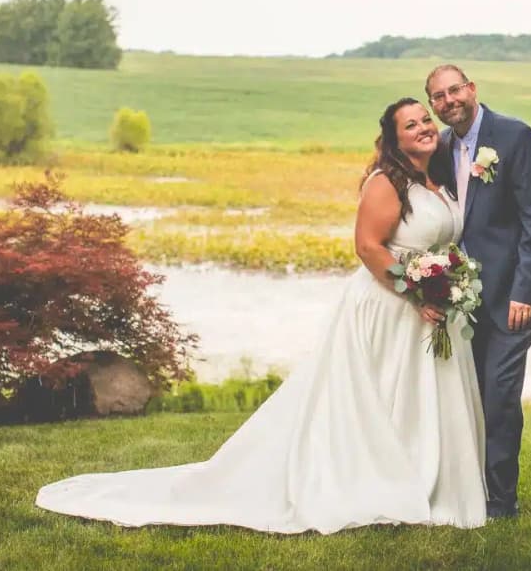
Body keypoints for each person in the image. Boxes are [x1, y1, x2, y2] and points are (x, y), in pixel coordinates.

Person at [36, 98, 487, 533]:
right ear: (393, 138)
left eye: (425, 119)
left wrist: (447, 283)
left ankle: (430, 482)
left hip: (430, 307)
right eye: (410, 124)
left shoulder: (438, 182)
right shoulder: (387, 183)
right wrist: (415, 291)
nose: (424, 127)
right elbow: (368, 247)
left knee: (417, 396)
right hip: (391, 306)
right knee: (381, 398)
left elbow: (440, 244)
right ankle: (383, 482)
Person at [426, 64, 531, 519]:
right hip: (464, 299)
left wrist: (525, 291)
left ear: (472, 89)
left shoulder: (514, 136)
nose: (449, 101)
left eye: (454, 91)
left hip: (513, 297)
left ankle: (501, 501)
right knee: (468, 396)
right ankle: (467, 488)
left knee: (500, 397)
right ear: (434, 105)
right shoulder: (443, 146)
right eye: (438, 97)